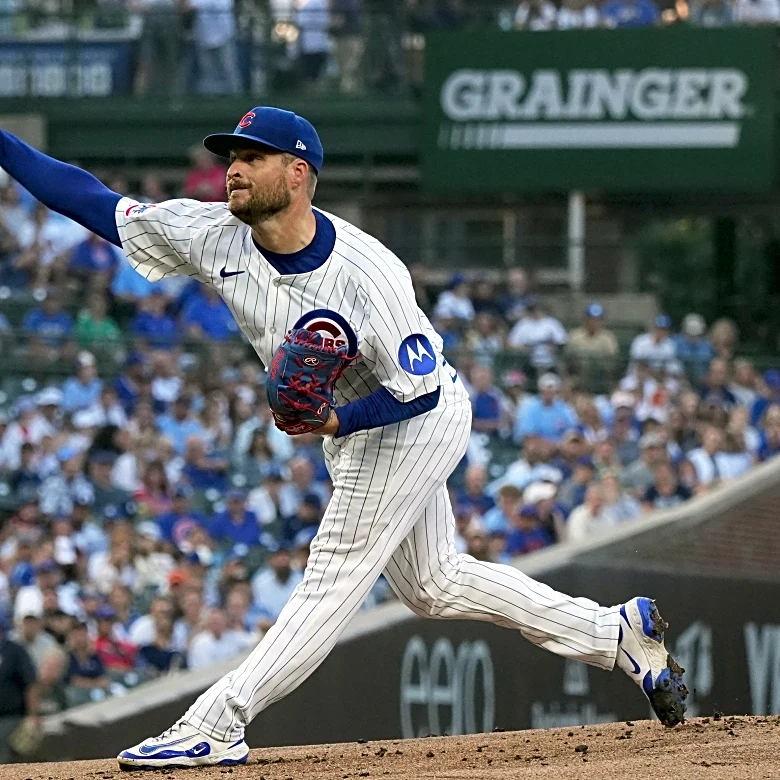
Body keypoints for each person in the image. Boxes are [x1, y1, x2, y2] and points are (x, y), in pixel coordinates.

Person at [0, 110, 686, 770]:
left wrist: (334, 422)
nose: (232, 170)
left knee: (334, 572)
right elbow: (89, 199)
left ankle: (217, 723)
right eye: (231, 157)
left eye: (251, 157)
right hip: (358, 429)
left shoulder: (369, 273)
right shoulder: (213, 234)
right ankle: (615, 634)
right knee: (433, 584)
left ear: (298, 173)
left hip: (412, 417)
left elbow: (415, 389)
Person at [0, 616, 38, 764]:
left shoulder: (14, 650)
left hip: (11, 718)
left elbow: (31, 684)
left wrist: (32, 716)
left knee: (6, 763)